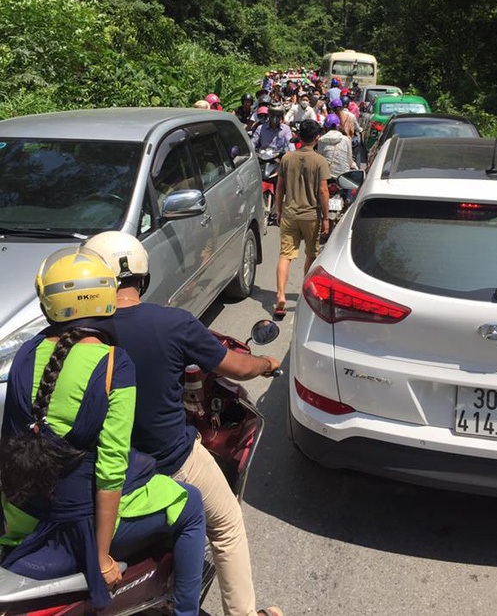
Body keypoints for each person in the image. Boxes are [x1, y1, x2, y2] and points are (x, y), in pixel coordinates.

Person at [84, 232, 283, 616]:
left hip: (107, 473)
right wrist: (266, 363)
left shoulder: (82, 335)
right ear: (141, 276)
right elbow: (238, 367)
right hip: (173, 462)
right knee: (226, 526)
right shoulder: (173, 322)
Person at [0, 247, 206, 616]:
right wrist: (101, 557)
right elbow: (110, 469)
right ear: (107, 297)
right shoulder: (114, 365)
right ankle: (186, 612)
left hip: (22, 514)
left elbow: (11, 442)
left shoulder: (26, 354)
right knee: (190, 504)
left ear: (48, 302)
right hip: (74, 524)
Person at [274, 119, 330, 318]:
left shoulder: (287, 158)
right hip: (311, 215)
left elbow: (279, 188)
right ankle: (305, 296)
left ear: (300, 136)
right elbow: (323, 191)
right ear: (317, 138)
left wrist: (279, 210)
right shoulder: (320, 161)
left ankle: (280, 295)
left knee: (285, 255)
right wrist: (326, 217)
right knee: (311, 255)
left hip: (290, 213)